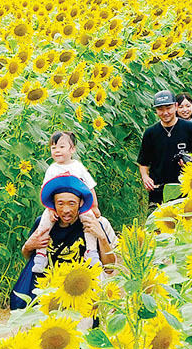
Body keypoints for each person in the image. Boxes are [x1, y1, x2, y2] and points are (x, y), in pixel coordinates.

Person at [11, 175, 117, 310]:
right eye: (60, 203)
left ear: (80, 203)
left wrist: (102, 237)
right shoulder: (43, 225)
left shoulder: (90, 227)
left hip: (80, 295)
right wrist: (27, 246)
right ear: (53, 205)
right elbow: (30, 259)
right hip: (48, 296)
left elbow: (109, 268)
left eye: (72, 203)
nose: (66, 210)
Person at [32, 131, 101, 273]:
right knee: (44, 223)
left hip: (79, 205)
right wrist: (50, 209)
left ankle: (91, 251)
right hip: (55, 206)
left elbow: (90, 186)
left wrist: (94, 206)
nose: (57, 151)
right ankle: (41, 254)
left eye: (61, 147)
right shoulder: (52, 169)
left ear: (72, 149)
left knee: (89, 221)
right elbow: (45, 190)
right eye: (53, 147)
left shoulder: (78, 167)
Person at [138, 90, 192, 207]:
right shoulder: (150, 133)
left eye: (168, 108)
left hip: (185, 188)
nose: (165, 113)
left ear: (176, 106)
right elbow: (143, 163)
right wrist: (145, 177)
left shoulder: (190, 128)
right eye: (160, 109)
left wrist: (190, 164)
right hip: (158, 191)